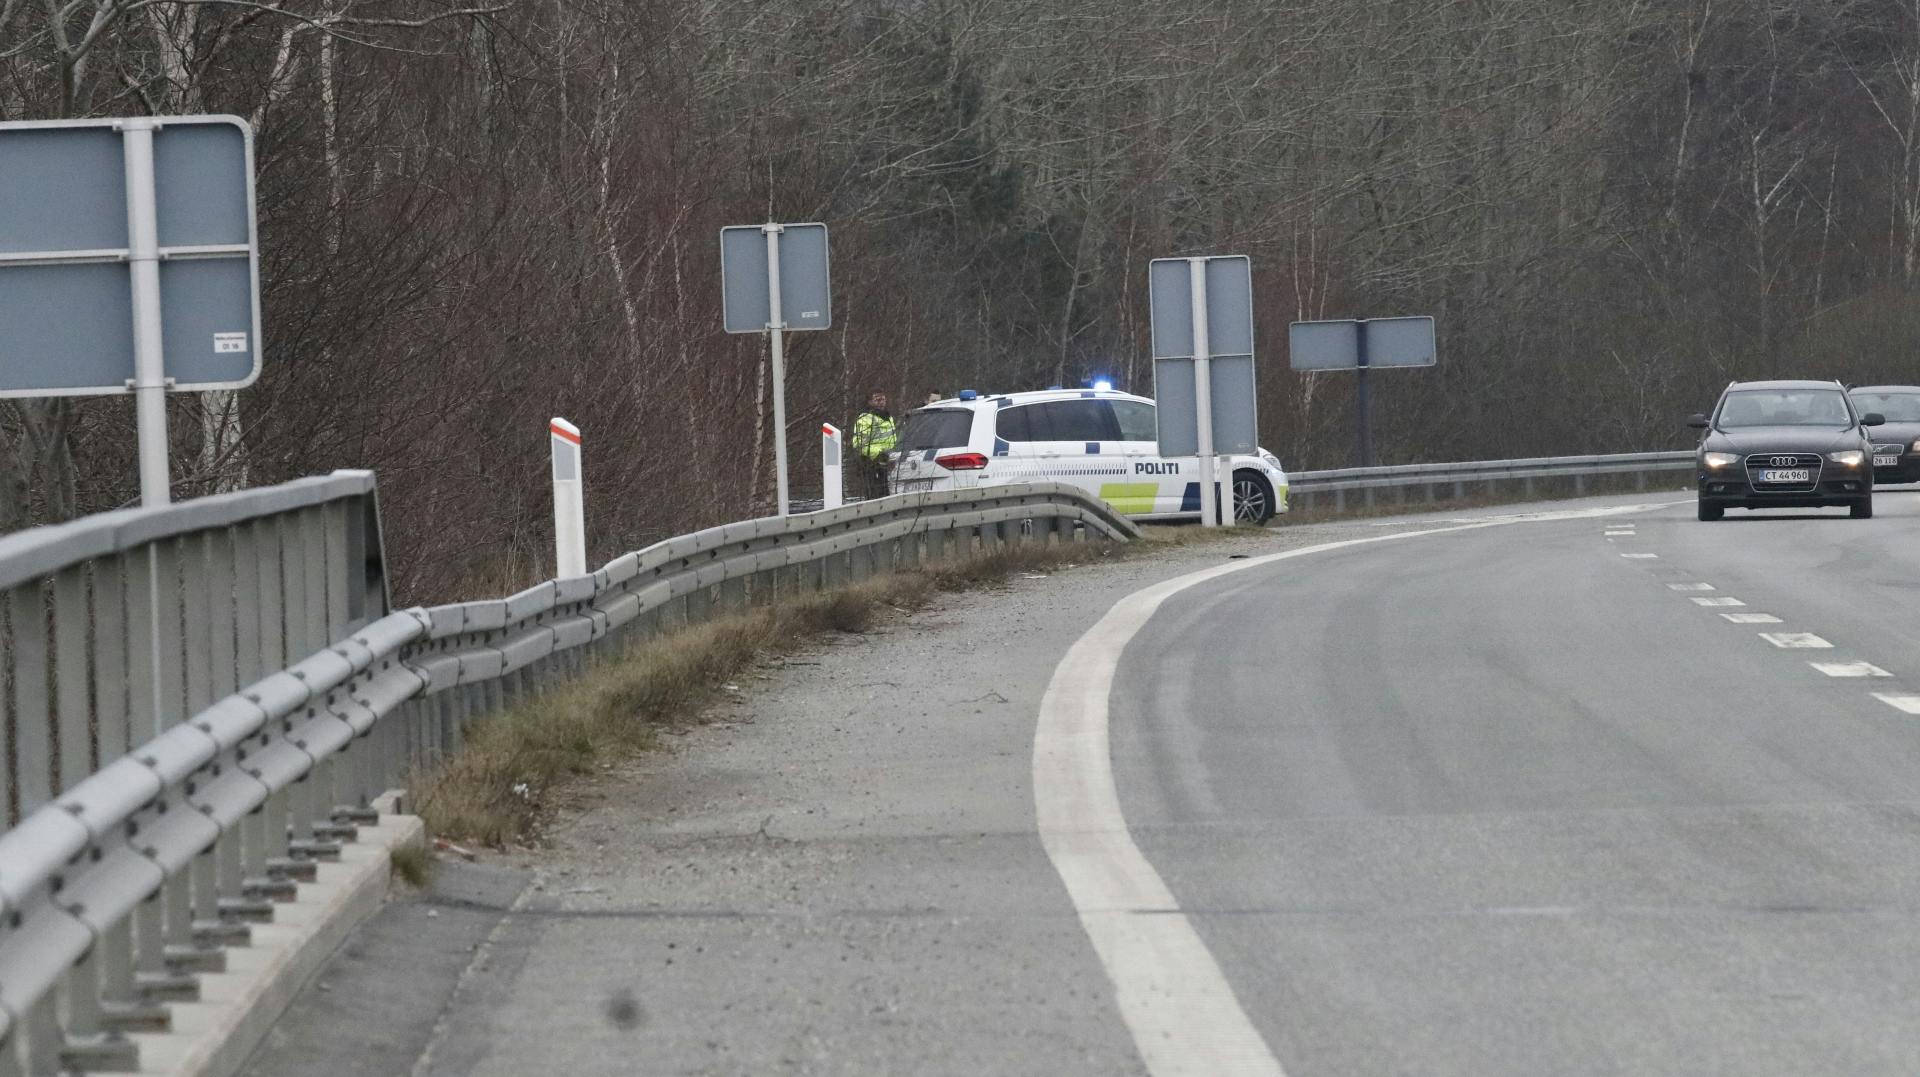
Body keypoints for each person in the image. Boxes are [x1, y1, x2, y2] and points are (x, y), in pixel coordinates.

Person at [850, 389, 897, 497]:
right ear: (870, 402)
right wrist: (878, 455)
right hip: (871, 463)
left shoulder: (887, 417)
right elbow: (859, 444)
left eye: (883, 399)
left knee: (886, 494)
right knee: (875, 495)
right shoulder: (866, 418)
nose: (881, 402)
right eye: (877, 399)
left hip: (888, 461)